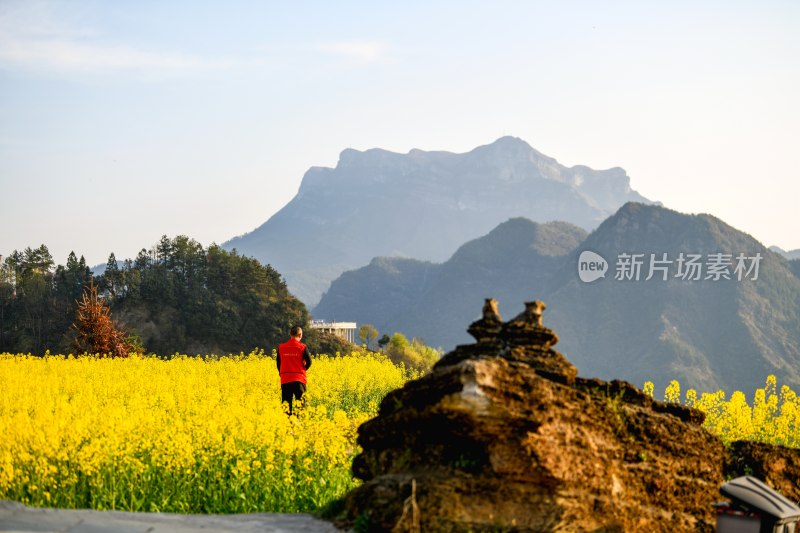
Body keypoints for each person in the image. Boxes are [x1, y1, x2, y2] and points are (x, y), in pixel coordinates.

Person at [276, 325, 312, 415]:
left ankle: (288, 426)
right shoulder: (302, 347)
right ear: (300, 335)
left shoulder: (281, 347)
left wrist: (282, 373)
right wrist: (303, 370)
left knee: (286, 405)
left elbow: (278, 363)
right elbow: (309, 362)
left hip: (285, 379)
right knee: (300, 405)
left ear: (290, 334)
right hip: (299, 379)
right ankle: (298, 426)